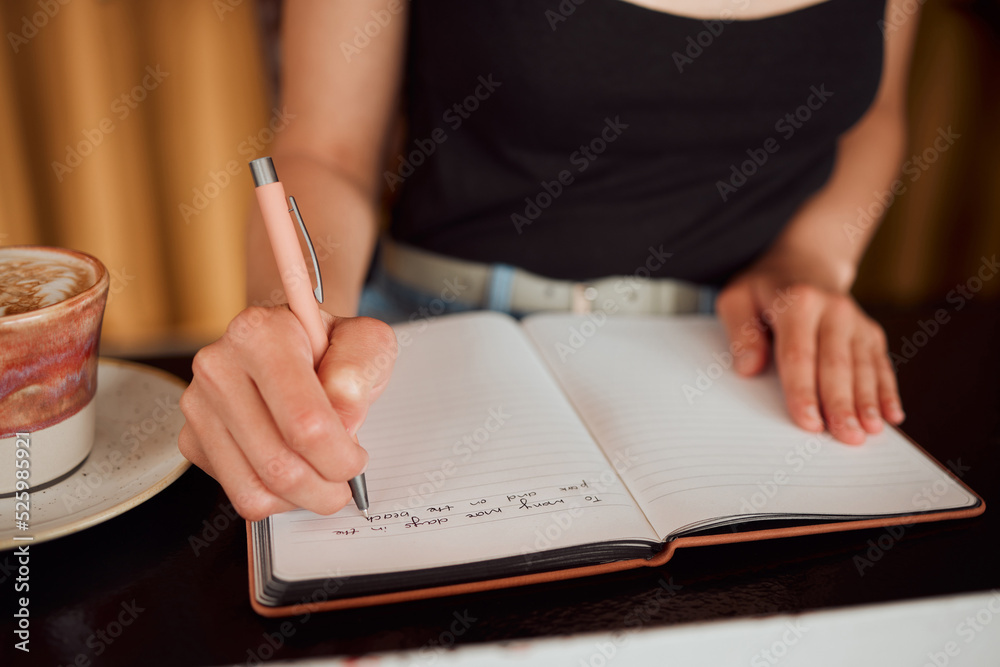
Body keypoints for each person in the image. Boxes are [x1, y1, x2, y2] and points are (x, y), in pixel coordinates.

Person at [179, 0, 917, 521]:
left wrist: (813, 256)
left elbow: (878, 113)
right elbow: (327, 150)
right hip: (435, 333)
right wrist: (294, 316)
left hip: (738, 361)